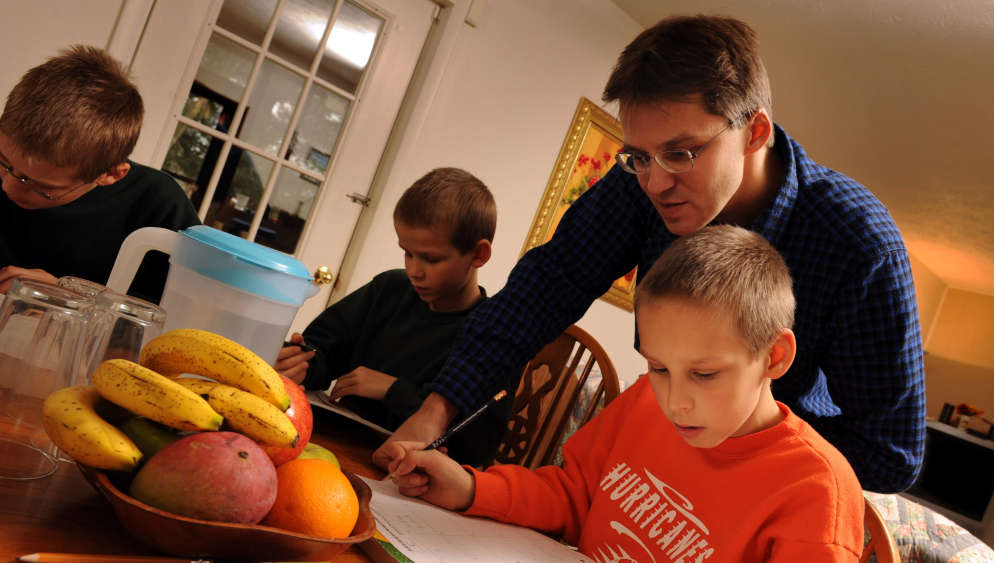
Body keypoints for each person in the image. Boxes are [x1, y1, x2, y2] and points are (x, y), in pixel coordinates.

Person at [377, 15, 925, 493]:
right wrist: (435, 413)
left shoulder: (858, 240)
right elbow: (542, 289)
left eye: (682, 152)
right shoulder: (638, 182)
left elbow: (891, 454)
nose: (656, 183)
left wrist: (731, 447)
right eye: (638, 155)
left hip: (776, 481)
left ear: (754, 131)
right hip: (653, 467)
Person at [388, 225, 865, 562]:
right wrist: (472, 488)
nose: (675, 401)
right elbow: (575, 494)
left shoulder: (816, 492)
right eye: (659, 367)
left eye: (704, 374)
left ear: (774, 357)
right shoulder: (643, 402)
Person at [275, 167, 513, 467]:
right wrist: (302, 362)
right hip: (328, 442)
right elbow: (325, 348)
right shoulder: (390, 288)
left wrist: (392, 389)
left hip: (399, 471)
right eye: (407, 253)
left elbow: (474, 446)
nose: (414, 270)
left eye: (431, 258)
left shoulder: (492, 335)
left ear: (479, 255)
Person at [0, 45, 200, 303]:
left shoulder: (157, 205)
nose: (9, 187)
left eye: (40, 187)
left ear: (111, 174)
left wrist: (74, 298)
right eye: (4, 164)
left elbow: (187, 313)